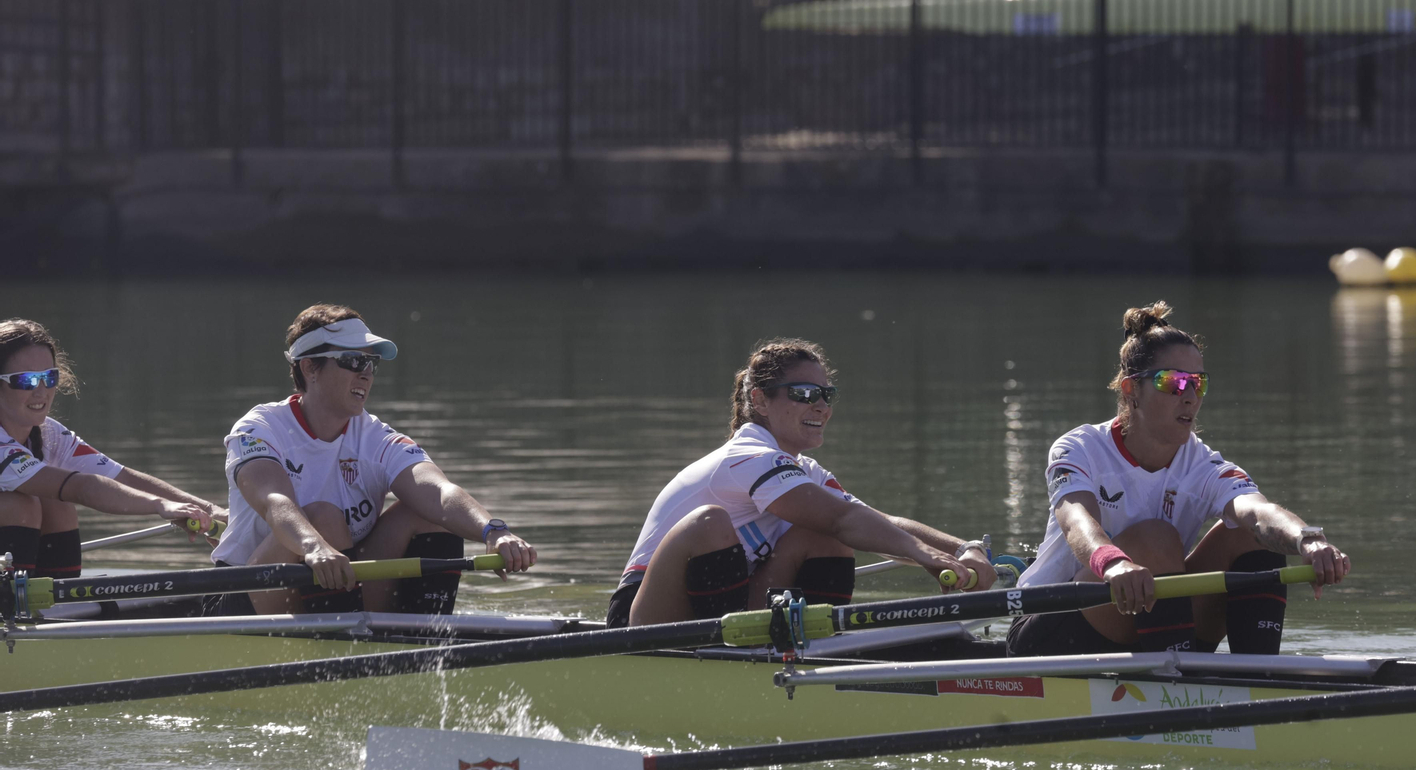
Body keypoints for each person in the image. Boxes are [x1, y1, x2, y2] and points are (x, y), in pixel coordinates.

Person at [1006, 302, 1350, 658]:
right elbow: (1077, 523)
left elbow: (1257, 512)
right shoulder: (1079, 448)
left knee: (1250, 534)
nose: (1189, 396)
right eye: (1172, 381)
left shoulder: (1202, 464)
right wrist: (1114, 563)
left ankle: (1258, 675)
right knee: (1157, 539)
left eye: (1198, 383)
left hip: (1149, 618)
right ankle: (1181, 683)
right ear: (1131, 390)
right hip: (1050, 624)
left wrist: (1308, 540)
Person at [607, 338, 997, 627]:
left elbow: (874, 522)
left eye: (827, 394)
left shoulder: (802, 470)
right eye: (805, 394)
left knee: (827, 535)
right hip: (642, 616)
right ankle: (725, 657)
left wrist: (965, 549)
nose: (822, 406)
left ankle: (812, 652)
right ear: (759, 402)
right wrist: (923, 555)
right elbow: (844, 519)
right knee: (710, 521)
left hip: (727, 606)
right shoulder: (747, 456)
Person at [207, 304, 536, 615]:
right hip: (246, 593)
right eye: (352, 360)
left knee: (427, 513)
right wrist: (313, 545)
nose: (366, 374)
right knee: (323, 518)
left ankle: (425, 645)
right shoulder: (258, 428)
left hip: (342, 587)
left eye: (371, 364)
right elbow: (274, 502)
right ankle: (343, 649)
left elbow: (439, 492)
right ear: (310, 367)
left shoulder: (375, 436)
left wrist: (494, 531)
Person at [0, 318, 223, 581]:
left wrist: (207, 510)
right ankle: (13, 607)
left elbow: (121, 477)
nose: (41, 391)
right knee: (20, 506)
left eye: (49, 377)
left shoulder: (50, 433)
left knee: (55, 505)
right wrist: (161, 505)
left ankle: (55, 605)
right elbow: (81, 488)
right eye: (26, 381)